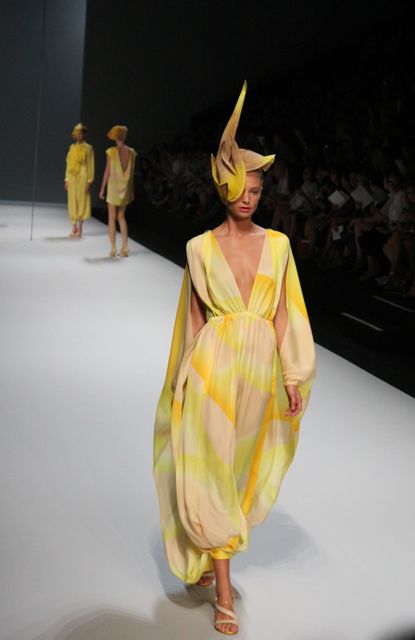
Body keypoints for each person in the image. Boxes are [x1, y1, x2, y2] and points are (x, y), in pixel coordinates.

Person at [153, 83, 316, 635]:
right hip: (212, 371)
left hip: (259, 374)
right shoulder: (199, 248)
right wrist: (182, 380)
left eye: (257, 188)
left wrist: (292, 376)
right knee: (212, 469)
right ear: (222, 186)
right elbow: (194, 320)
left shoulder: (280, 246)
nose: (249, 197)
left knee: (237, 471)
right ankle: (224, 591)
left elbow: (285, 316)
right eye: (241, 187)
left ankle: (206, 553)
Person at [99, 125, 137, 257]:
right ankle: (125, 247)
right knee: (121, 217)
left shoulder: (111, 152)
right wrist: (131, 191)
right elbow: (131, 174)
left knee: (112, 217)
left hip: (113, 187)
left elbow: (107, 172)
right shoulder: (131, 152)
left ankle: (113, 248)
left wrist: (102, 188)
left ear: (115, 137)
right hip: (125, 188)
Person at [64, 123, 94, 238]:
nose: (79, 135)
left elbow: (91, 165)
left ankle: (80, 228)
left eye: (81, 133)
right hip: (72, 176)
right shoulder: (72, 147)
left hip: (83, 176)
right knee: (72, 200)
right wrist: (66, 179)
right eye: (77, 134)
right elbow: (68, 164)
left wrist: (89, 181)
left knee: (82, 201)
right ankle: (74, 227)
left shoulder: (88, 148)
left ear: (84, 134)